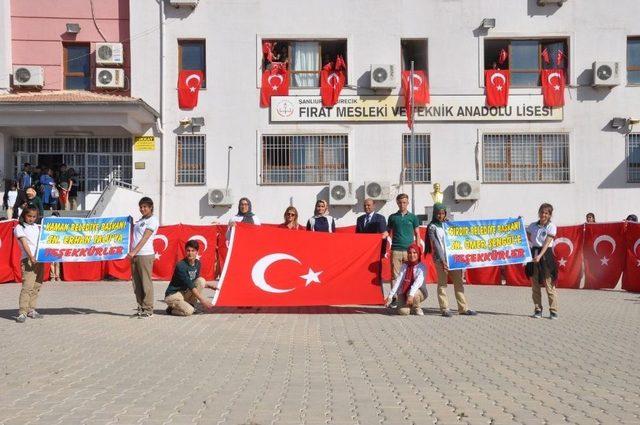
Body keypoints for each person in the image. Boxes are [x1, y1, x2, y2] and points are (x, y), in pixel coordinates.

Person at [425, 203, 476, 317]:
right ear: (434, 214)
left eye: (442, 213)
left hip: (453, 259)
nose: (440, 215)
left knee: (458, 283)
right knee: (442, 284)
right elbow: (436, 244)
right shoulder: (432, 227)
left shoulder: (448, 225)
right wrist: (443, 261)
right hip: (440, 259)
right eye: (438, 213)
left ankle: (463, 308)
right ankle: (444, 308)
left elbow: (459, 238)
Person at [382, 194, 420, 306]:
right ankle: (395, 299)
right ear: (397, 203)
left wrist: (417, 250)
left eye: (404, 202)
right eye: (400, 202)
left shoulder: (413, 217)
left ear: (408, 203)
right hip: (396, 250)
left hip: (410, 252)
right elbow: (387, 232)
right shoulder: (392, 217)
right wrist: (377, 237)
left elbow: (417, 234)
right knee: (395, 276)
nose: (402, 204)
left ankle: (409, 297)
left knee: (410, 275)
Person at [165, 240, 218, 316]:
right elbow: (191, 285)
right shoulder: (181, 266)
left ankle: (191, 305)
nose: (190, 253)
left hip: (184, 293)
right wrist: (203, 300)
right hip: (173, 295)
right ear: (185, 251)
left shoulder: (197, 264)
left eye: (193, 251)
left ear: (197, 252)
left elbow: (194, 282)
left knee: (201, 281)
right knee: (189, 311)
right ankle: (171, 309)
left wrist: (210, 286)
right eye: (188, 250)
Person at [526, 203, 558, 320]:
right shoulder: (533, 225)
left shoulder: (551, 226)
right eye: (542, 212)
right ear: (539, 212)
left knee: (549, 285)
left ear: (549, 215)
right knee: (535, 285)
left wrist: (539, 255)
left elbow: (546, 243)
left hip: (545, 255)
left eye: (546, 213)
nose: (543, 215)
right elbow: (526, 236)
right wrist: (518, 223)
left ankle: (553, 310)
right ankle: (538, 309)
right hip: (534, 254)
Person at [127, 197, 159, 318]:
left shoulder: (153, 220)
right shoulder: (141, 220)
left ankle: (148, 309)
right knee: (136, 283)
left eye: (145, 206)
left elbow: (145, 238)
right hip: (135, 255)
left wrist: (134, 251)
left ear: (151, 207)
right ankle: (140, 307)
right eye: (141, 207)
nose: (142, 209)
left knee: (146, 283)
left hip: (145, 254)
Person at [14, 206, 44, 323]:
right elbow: (24, 243)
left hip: (40, 259)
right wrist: (31, 256)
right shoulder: (19, 227)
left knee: (36, 286)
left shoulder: (37, 227)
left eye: (34, 216)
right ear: (24, 215)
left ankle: (32, 309)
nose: (31, 218)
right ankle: (22, 312)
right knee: (27, 286)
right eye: (29, 216)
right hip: (28, 259)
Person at [385, 243, 428, 316]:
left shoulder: (422, 267)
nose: (412, 255)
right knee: (403, 312)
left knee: (414, 293)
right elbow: (398, 281)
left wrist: (410, 295)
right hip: (404, 292)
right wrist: (390, 296)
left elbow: (417, 284)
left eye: (414, 253)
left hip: (419, 292)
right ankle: (410, 307)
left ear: (418, 254)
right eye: (410, 253)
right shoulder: (404, 266)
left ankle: (417, 308)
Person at [49, 212, 62, 282]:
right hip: (51, 244)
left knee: (57, 262)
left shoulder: (60, 226)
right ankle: (52, 276)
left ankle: (57, 276)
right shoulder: (49, 225)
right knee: (52, 262)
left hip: (57, 245)